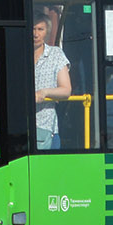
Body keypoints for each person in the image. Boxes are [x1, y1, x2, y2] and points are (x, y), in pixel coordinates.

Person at [32, 12, 72, 150]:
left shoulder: (56, 54)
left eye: (40, 29)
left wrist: (44, 92)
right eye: (33, 29)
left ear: (47, 32)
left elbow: (66, 90)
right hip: (19, 124)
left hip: (45, 125)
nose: (36, 34)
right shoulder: (19, 53)